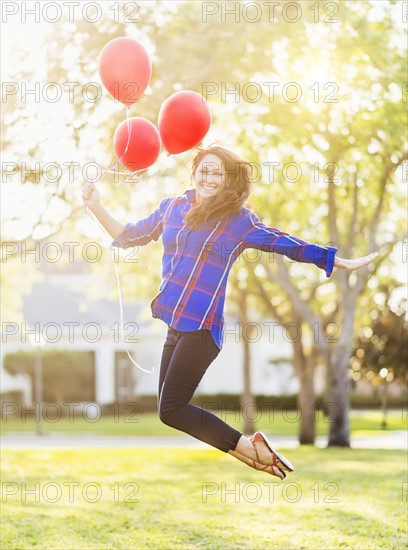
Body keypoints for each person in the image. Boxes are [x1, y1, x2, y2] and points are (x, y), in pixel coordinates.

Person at [82, 145, 379, 479]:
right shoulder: (172, 208)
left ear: (227, 181)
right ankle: (254, 453)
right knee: (170, 412)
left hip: (203, 329)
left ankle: (250, 450)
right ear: (193, 172)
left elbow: (283, 242)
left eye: (217, 173)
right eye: (204, 170)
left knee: (172, 408)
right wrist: (95, 206)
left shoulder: (237, 220)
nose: (209, 178)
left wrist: (330, 258)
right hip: (176, 326)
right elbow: (128, 236)